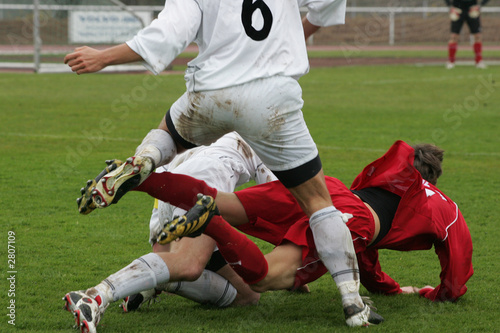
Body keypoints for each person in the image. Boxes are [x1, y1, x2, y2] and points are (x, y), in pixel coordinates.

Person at [65, 0, 378, 330]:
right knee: (318, 205)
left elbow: (166, 34)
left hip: (209, 95)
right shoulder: (253, 141)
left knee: (168, 135)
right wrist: (296, 33)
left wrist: (102, 57)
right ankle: (353, 303)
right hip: (270, 99)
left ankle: (144, 161)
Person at [140, 140, 473, 303]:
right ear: (433, 179)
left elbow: (359, 247)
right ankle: (210, 224)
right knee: (263, 279)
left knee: (221, 201)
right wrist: (438, 293)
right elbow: (456, 270)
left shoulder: (393, 172)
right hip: (352, 219)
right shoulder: (446, 208)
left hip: (330, 191)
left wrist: (384, 285)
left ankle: (139, 177)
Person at [121, 132, 276, 311]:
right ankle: (154, 282)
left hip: (171, 212)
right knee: (249, 295)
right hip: (200, 206)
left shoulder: (178, 136)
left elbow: (160, 200)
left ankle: (157, 279)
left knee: (178, 267)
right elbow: (275, 199)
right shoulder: (251, 140)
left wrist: (160, 248)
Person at [445, 0, 490, 69]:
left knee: (477, 36)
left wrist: (480, 5)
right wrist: (450, 5)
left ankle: (479, 61)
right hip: (458, 9)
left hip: (472, 10)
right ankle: (451, 61)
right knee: (454, 36)